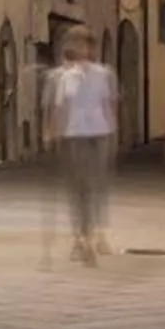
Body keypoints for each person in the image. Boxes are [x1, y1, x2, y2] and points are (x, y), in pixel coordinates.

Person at [46, 30, 120, 262]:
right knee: (77, 186)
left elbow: (110, 103)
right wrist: (52, 131)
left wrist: (114, 130)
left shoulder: (104, 74)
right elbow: (60, 107)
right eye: (75, 44)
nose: (80, 49)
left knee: (96, 184)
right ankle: (80, 235)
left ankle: (98, 233)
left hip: (99, 133)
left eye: (83, 44)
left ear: (91, 48)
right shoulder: (66, 77)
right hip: (74, 134)